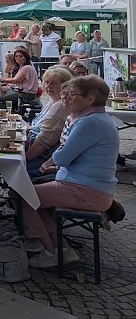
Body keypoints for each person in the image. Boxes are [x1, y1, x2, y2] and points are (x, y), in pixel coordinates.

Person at [24, 76, 119, 268]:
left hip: (85, 190)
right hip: (89, 187)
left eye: (72, 95)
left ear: (90, 99)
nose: (66, 98)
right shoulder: (97, 119)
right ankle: (61, 248)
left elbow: (63, 156)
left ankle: (50, 250)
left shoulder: (89, 122)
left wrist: (56, 161)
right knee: (29, 194)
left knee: (22, 195)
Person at [25, 67, 72, 179]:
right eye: (47, 82)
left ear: (65, 85)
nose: (49, 86)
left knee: (13, 169)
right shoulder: (53, 100)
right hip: (37, 150)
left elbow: (45, 140)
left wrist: (26, 158)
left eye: (54, 83)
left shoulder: (61, 105)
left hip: (44, 158)